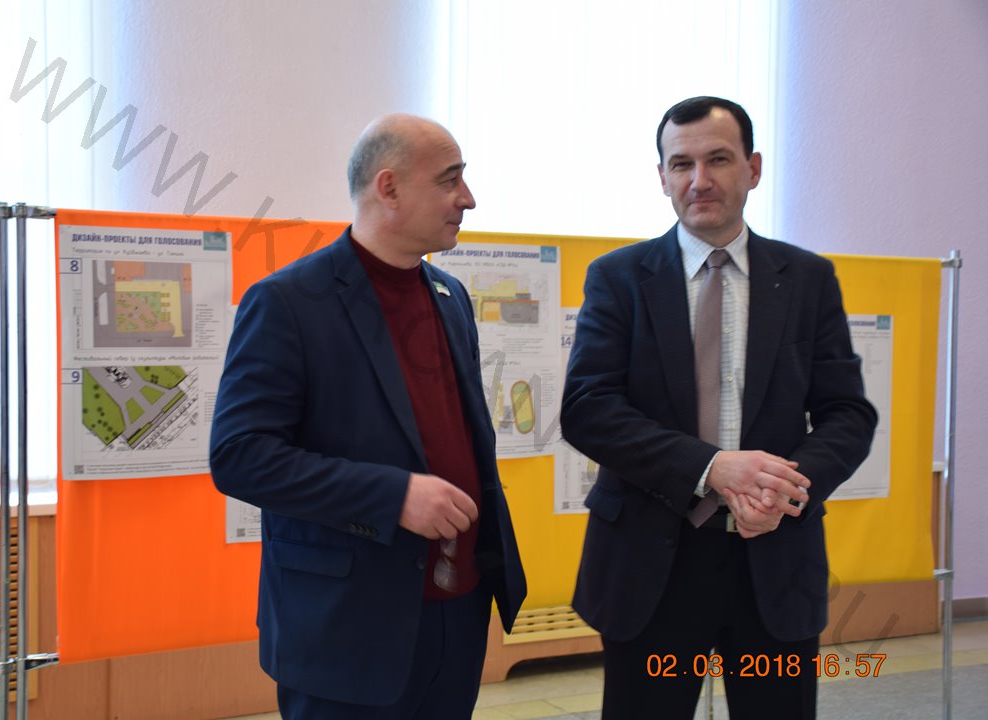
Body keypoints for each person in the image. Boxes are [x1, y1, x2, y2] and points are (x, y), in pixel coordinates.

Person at [561, 96, 877, 719]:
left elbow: (847, 413)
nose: (699, 180)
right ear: (662, 177)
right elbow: (589, 407)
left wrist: (787, 489)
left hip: (774, 559)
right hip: (651, 566)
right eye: (681, 164)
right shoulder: (619, 278)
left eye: (719, 159)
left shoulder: (807, 279)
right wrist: (712, 468)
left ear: (753, 169)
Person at [209, 113, 526, 720]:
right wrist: (393, 495)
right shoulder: (287, 302)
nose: (468, 199)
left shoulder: (450, 297)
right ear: (389, 187)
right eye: (450, 179)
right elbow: (240, 457)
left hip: (456, 612)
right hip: (344, 628)